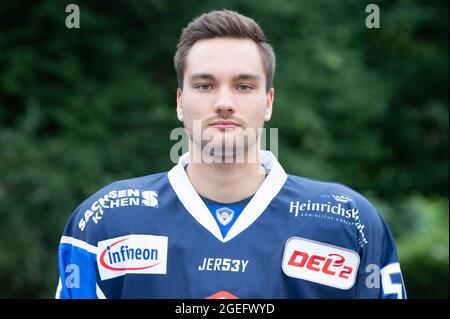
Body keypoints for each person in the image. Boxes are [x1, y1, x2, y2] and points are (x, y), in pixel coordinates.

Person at [55, 9, 406, 299]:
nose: (224, 103)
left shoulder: (349, 222)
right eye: (205, 85)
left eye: (244, 86)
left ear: (268, 101)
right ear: (180, 101)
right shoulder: (105, 220)